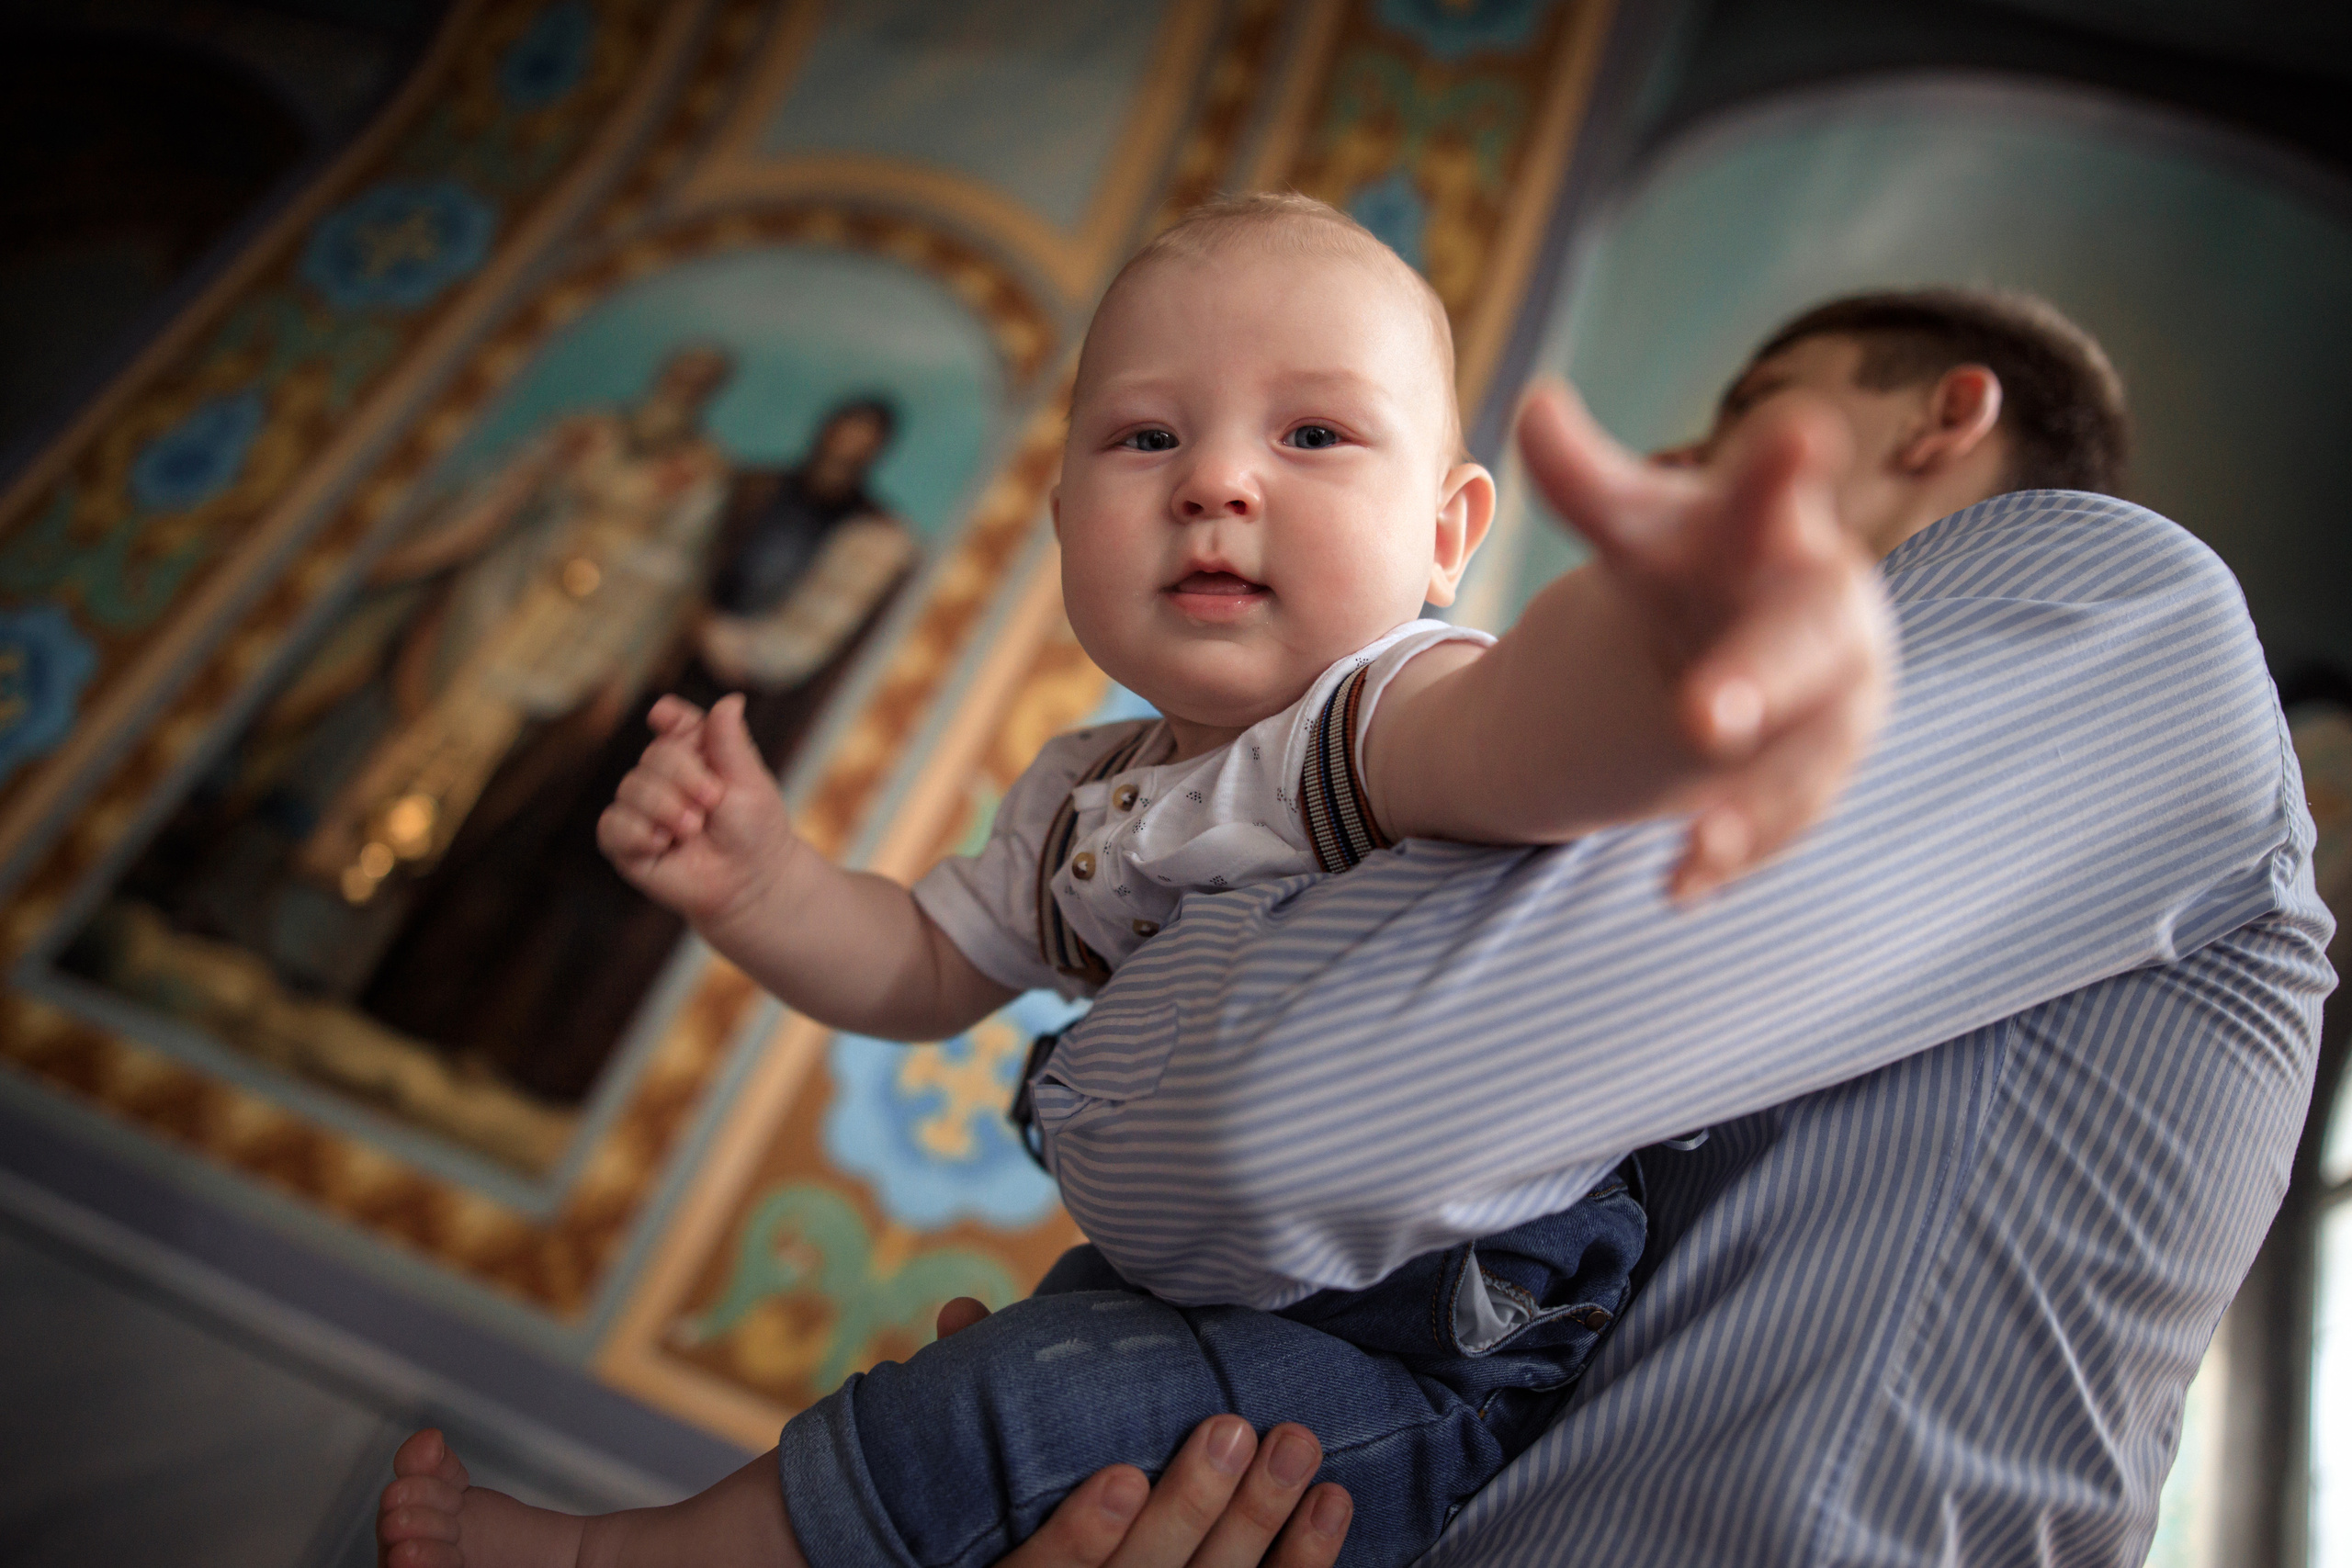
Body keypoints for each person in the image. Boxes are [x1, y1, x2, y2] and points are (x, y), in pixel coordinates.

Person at [374, 194, 1897, 1567]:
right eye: (1145, 436)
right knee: (996, 1417)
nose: (1215, 481)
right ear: (1060, 518)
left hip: (1431, 1352)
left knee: (987, 1425)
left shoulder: (1375, 715)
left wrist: (1675, 660)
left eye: (1313, 437)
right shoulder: (1080, 795)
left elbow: (1521, 732)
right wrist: (758, 883)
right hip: (1186, 1307)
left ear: (1447, 533)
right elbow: (919, 966)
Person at [1023, 290, 2334, 1564]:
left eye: (1755, 408)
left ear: (1947, 418)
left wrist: (1122, 980)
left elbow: (1284, 1129)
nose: (1677, 459)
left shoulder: (2115, 598)